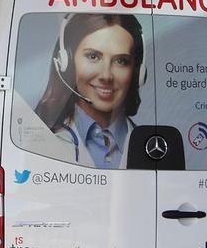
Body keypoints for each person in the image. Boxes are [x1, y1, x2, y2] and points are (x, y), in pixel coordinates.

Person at [35, 13, 145, 169]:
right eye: (93, 56)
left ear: (137, 71)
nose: (106, 75)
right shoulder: (37, 142)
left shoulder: (152, 145)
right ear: (67, 63)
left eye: (121, 61)